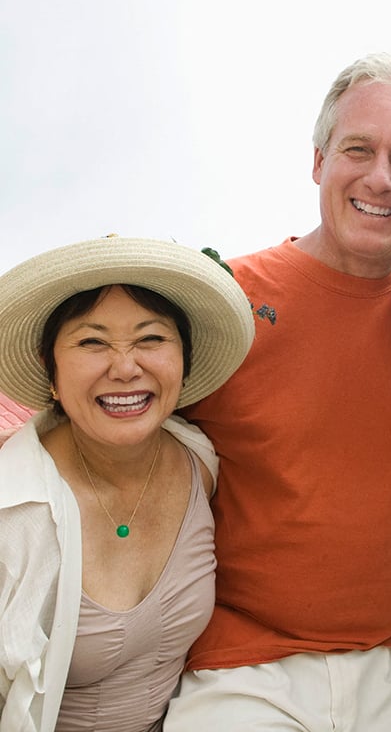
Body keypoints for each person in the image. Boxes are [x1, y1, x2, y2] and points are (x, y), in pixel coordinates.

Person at [162, 53, 391, 731]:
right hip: (241, 670)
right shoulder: (226, 303)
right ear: (320, 161)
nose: (381, 178)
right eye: (359, 149)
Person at [0, 235, 254, 732]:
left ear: (183, 359)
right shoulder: (15, 510)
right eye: (92, 342)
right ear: (50, 371)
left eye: (151, 338)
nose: (125, 367)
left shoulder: (199, 461)